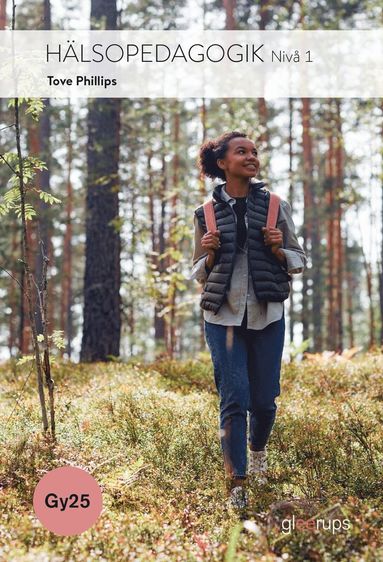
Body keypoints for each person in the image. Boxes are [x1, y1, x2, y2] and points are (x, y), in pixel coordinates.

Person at [190, 131, 307, 511]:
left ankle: (257, 451)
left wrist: (278, 247)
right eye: (242, 152)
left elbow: (299, 259)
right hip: (221, 316)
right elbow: (197, 272)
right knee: (234, 397)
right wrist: (208, 255)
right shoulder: (204, 213)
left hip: (267, 313)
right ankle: (236, 483)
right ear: (222, 162)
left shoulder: (276, 205)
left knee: (265, 400)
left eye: (255, 152)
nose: (252, 157)